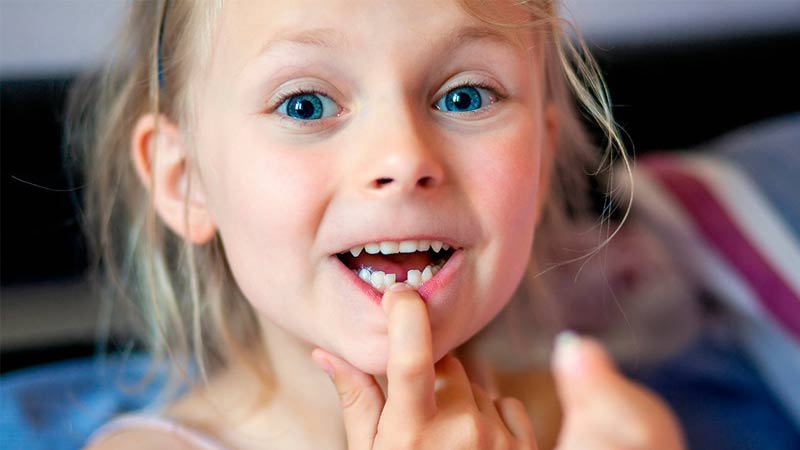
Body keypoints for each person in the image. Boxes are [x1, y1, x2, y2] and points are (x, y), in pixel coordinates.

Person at [72, 1, 684, 449]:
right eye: (304, 105)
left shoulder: (602, 428)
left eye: (466, 96)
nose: (403, 158)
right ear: (186, 182)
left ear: (541, 161)